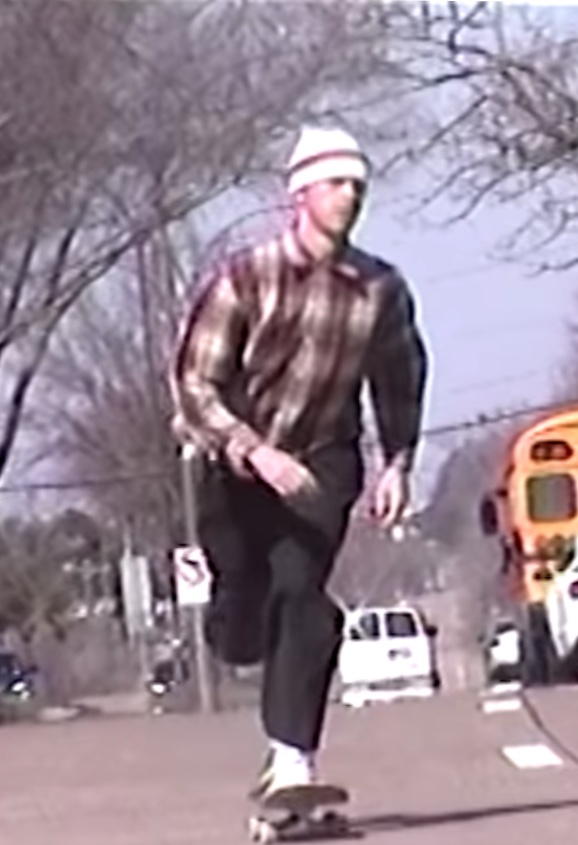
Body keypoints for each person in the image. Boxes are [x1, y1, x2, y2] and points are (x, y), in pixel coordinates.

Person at [170, 125, 429, 795]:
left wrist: (397, 463)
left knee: (303, 597)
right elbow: (194, 384)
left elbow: (399, 379)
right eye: (336, 183)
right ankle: (233, 621)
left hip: (321, 463)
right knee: (245, 624)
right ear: (301, 194)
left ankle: (292, 760)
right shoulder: (244, 278)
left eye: (358, 185)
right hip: (232, 465)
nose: (350, 196)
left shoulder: (380, 288)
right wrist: (254, 450)